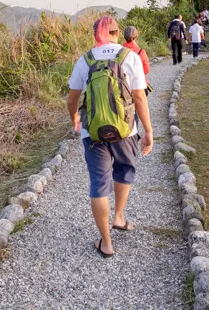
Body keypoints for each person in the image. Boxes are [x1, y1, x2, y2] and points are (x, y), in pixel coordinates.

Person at [67, 16, 154, 258]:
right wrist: (148, 130)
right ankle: (118, 217)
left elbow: (73, 98)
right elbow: (139, 97)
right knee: (125, 169)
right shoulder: (131, 57)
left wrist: (75, 118)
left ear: (96, 33)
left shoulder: (85, 60)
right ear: (118, 32)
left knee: (98, 183)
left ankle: (106, 242)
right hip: (126, 130)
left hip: (92, 132)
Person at [122, 25, 151, 94]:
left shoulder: (119, 50)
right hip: (139, 85)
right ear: (136, 36)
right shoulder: (140, 51)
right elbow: (146, 70)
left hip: (123, 85)